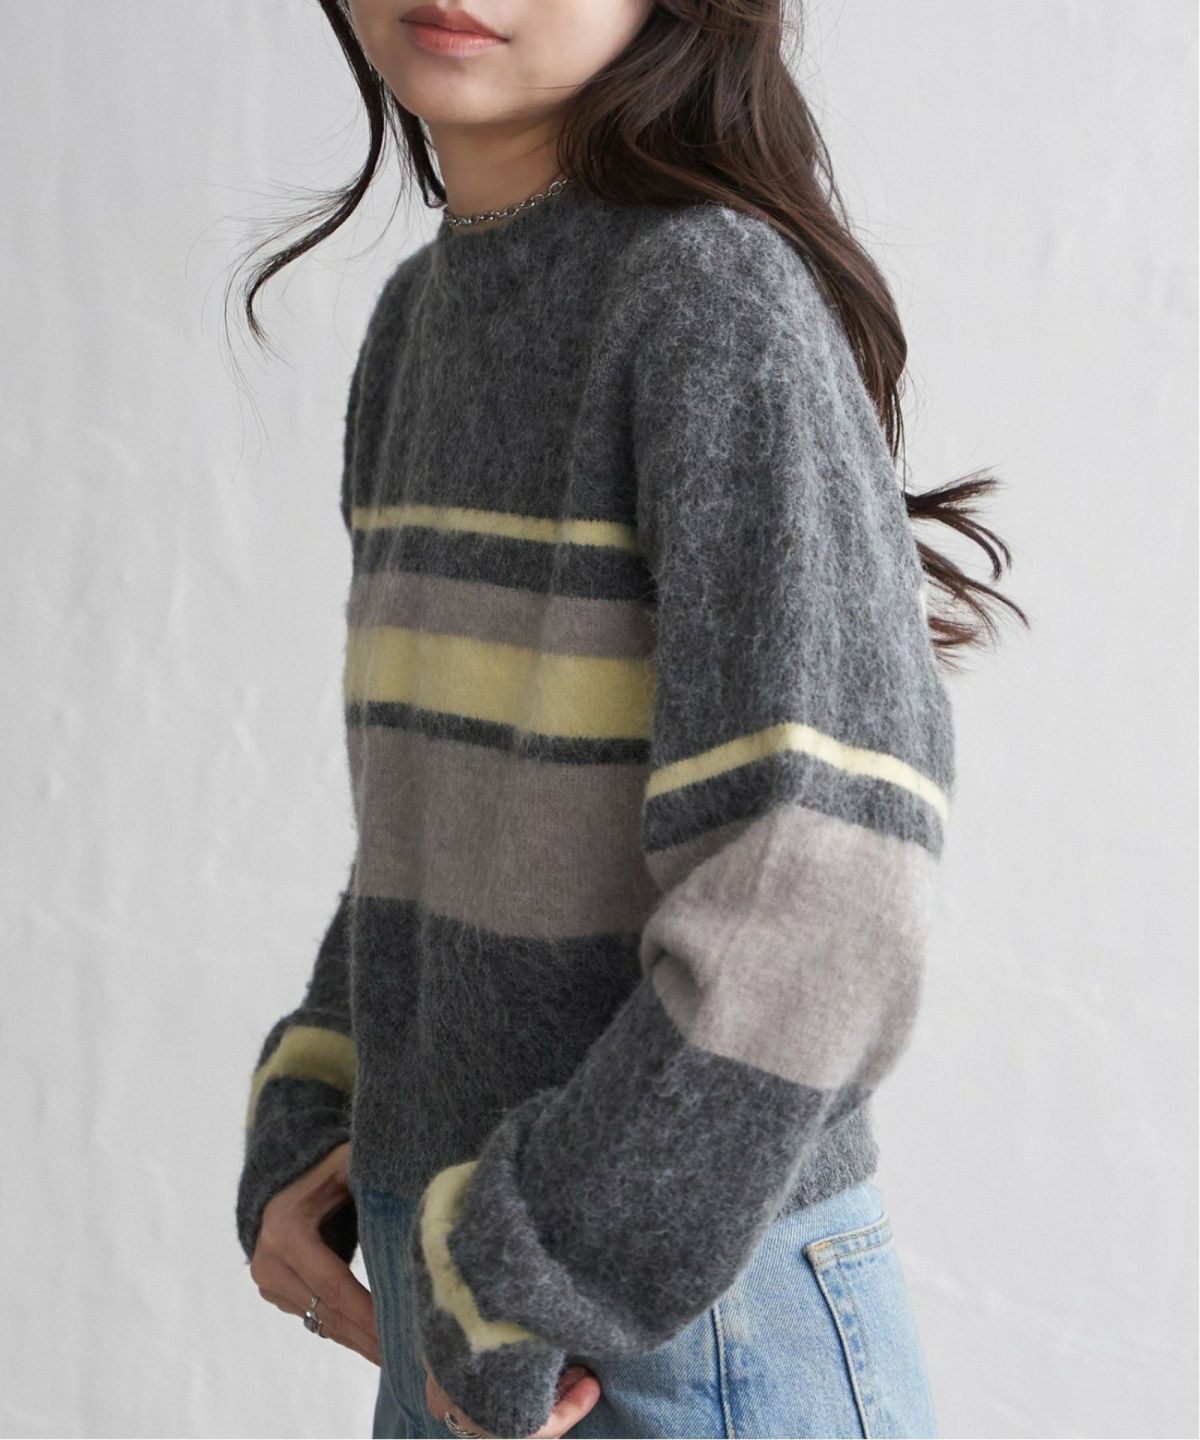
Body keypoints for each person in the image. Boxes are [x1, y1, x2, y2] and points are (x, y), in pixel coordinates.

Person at [231, 2, 1027, 1437]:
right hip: (485, 1297)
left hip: (674, 1326)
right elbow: (445, 838)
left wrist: (537, 1275)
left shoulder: (708, 299)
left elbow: (821, 900)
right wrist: (325, 1107)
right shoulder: (419, 323)